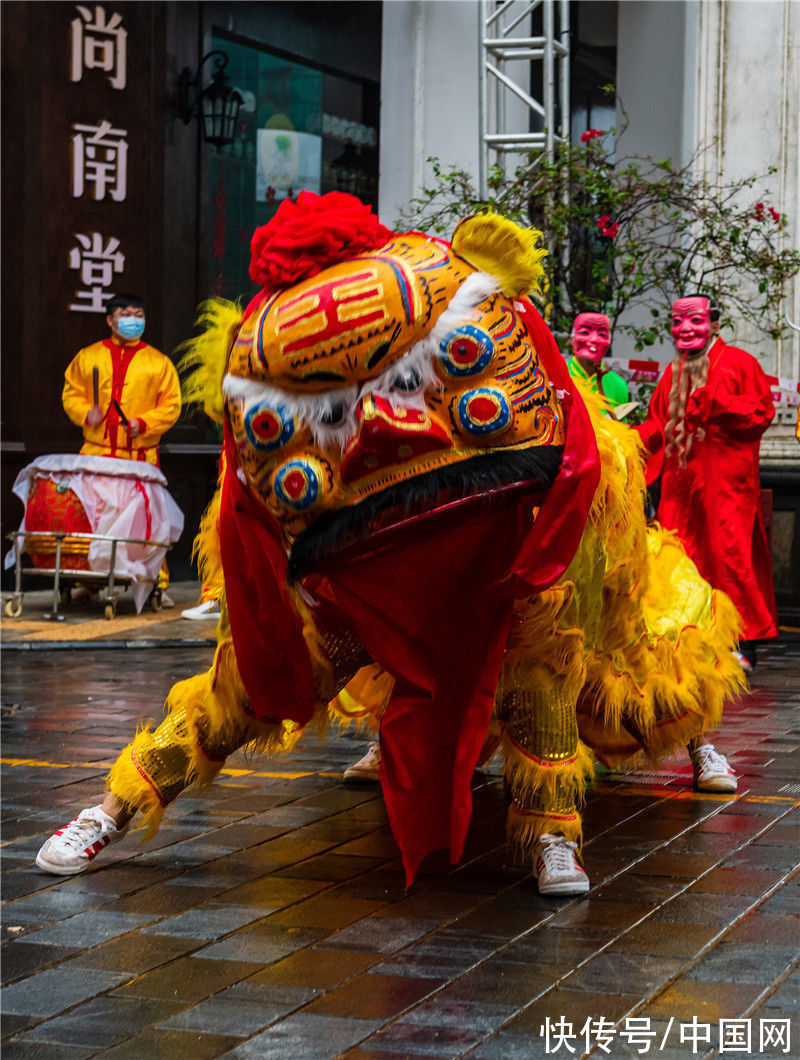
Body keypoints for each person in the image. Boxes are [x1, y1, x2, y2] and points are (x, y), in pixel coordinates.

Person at [34, 198, 744, 897]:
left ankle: (554, 831)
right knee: (251, 688)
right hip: (375, 584)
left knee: (553, 668)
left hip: (499, 562)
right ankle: (114, 808)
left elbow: (563, 461)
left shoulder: (474, 328)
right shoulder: (292, 371)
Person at [636, 294, 778, 676]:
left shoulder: (740, 364)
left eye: (694, 321)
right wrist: (627, 444)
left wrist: (717, 402)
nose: (685, 329)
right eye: (678, 322)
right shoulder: (672, 373)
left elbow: (761, 413)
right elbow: (656, 426)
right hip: (679, 488)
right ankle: (688, 641)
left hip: (725, 487)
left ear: (713, 324)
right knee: (680, 561)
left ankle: (741, 644)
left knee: (729, 561)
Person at [62, 293, 182, 603]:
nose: (133, 319)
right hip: (97, 452)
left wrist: (143, 423)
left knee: (149, 521)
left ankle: (156, 582)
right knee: (91, 518)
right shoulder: (87, 357)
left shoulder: (159, 363)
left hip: (139, 456)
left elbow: (171, 405)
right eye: (126, 313)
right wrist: (84, 412)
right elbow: (71, 394)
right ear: (110, 320)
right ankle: (88, 581)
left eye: (138, 313)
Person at [566, 311, 630, 411]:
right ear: (570, 339)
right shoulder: (554, 377)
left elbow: (619, 424)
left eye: (601, 334)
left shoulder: (618, 384)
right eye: (585, 332)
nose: (594, 339)